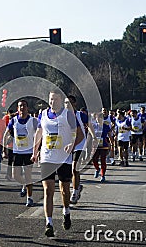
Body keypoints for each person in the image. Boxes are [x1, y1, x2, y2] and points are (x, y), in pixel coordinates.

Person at [31, 90, 84, 237]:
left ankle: (66, 211)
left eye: (55, 99)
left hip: (63, 158)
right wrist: (35, 152)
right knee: (48, 190)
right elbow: (39, 134)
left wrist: (71, 146)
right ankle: (49, 223)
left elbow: (80, 134)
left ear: (61, 101)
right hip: (47, 157)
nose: (52, 102)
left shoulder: (68, 114)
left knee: (64, 190)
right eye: (51, 99)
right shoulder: (42, 114)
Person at [3, 100, 38, 206]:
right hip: (17, 151)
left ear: (27, 108)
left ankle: (30, 198)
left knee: (28, 175)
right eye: (20, 106)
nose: (22, 108)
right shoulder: (13, 121)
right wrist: (4, 150)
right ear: (17, 109)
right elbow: (5, 135)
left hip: (28, 151)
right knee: (15, 175)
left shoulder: (33, 121)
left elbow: (39, 135)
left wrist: (37, 151)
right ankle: (24, 185)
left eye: (24, 106)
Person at [64, 95, 89, 205]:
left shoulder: (81, 115)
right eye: (65, 103)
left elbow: (90, 129)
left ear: (74, 104)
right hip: (66, 145)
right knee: (68, 171)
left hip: (79, 144)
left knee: (75, 168)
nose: (67, 105)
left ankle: (74, 192)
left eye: (69, 102)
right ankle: (77, 186)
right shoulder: (62, 116)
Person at [91, 110, 112, 182]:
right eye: (97, 118)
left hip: (104, 145)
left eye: (100, 118)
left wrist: (111, 144)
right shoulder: (93, 126)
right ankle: (97, 169)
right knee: (94, 159)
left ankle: (103, 175)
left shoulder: (105, 126)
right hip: (95, 145)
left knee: (103, 161)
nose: (98, 119)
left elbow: (109, 135)